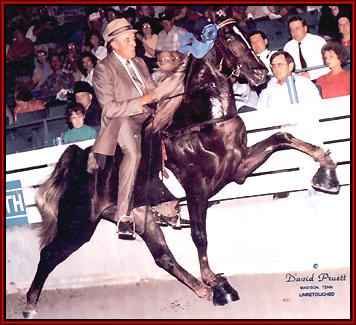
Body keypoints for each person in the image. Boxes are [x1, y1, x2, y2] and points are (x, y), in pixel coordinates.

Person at [88, 18, 157, 239]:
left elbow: (153, 90)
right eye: (128, 40)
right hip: (122, 120)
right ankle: (124, 215)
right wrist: (144, 100)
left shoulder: (139, 63)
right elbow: (109, 108)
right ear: (114, 45)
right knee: (134, 153)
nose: (133, 42)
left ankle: (167, 205)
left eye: (133, 38)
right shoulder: (103, 69)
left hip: (147, 115)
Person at [256, 51, 321, 110]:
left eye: (279, 64)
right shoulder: (268, 86)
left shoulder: (303, 83)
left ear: (290, 66)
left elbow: (317, 107)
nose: (276, 69)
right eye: (273, 66)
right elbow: (259, 110)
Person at [283, 16, 329, 80]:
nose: (294, 32)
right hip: (299, 81)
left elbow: (327, 65)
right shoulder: (288, 47)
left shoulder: (318, 41)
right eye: (292, 30)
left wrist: (310, 75)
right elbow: (287, 68)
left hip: (319, 78)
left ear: (305, 28)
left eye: (297, 28)